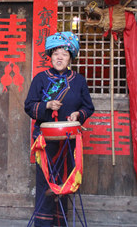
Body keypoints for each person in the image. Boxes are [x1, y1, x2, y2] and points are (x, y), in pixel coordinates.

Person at [24, 32, 94, 227]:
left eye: (64, 53)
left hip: (69, 139)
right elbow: (29, 105)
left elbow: (88, 107)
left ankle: (60, 222)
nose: (60, 57)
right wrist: (46, 106)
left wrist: (78, 115)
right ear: (50, 56)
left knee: (64, 179)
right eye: (55, 53)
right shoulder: (41, 78)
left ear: (70, 57)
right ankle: (43, 223)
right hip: (45, 139)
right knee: (45, 180)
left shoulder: (78, 80)